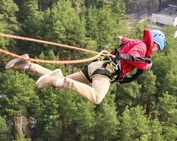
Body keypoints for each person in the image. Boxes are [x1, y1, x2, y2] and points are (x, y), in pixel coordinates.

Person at [5, 29, 166, 104]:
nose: (156, 51)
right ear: (156, 44)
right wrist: (144, 65)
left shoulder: (137, 43)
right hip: (103, 73)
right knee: (96, 97)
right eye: (158, 48)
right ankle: (63, 82)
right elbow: (134, 58)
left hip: (96, 68)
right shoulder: (143, 48)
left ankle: (27, 66)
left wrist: (122, 37)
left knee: (59, 80)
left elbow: (127, 42)